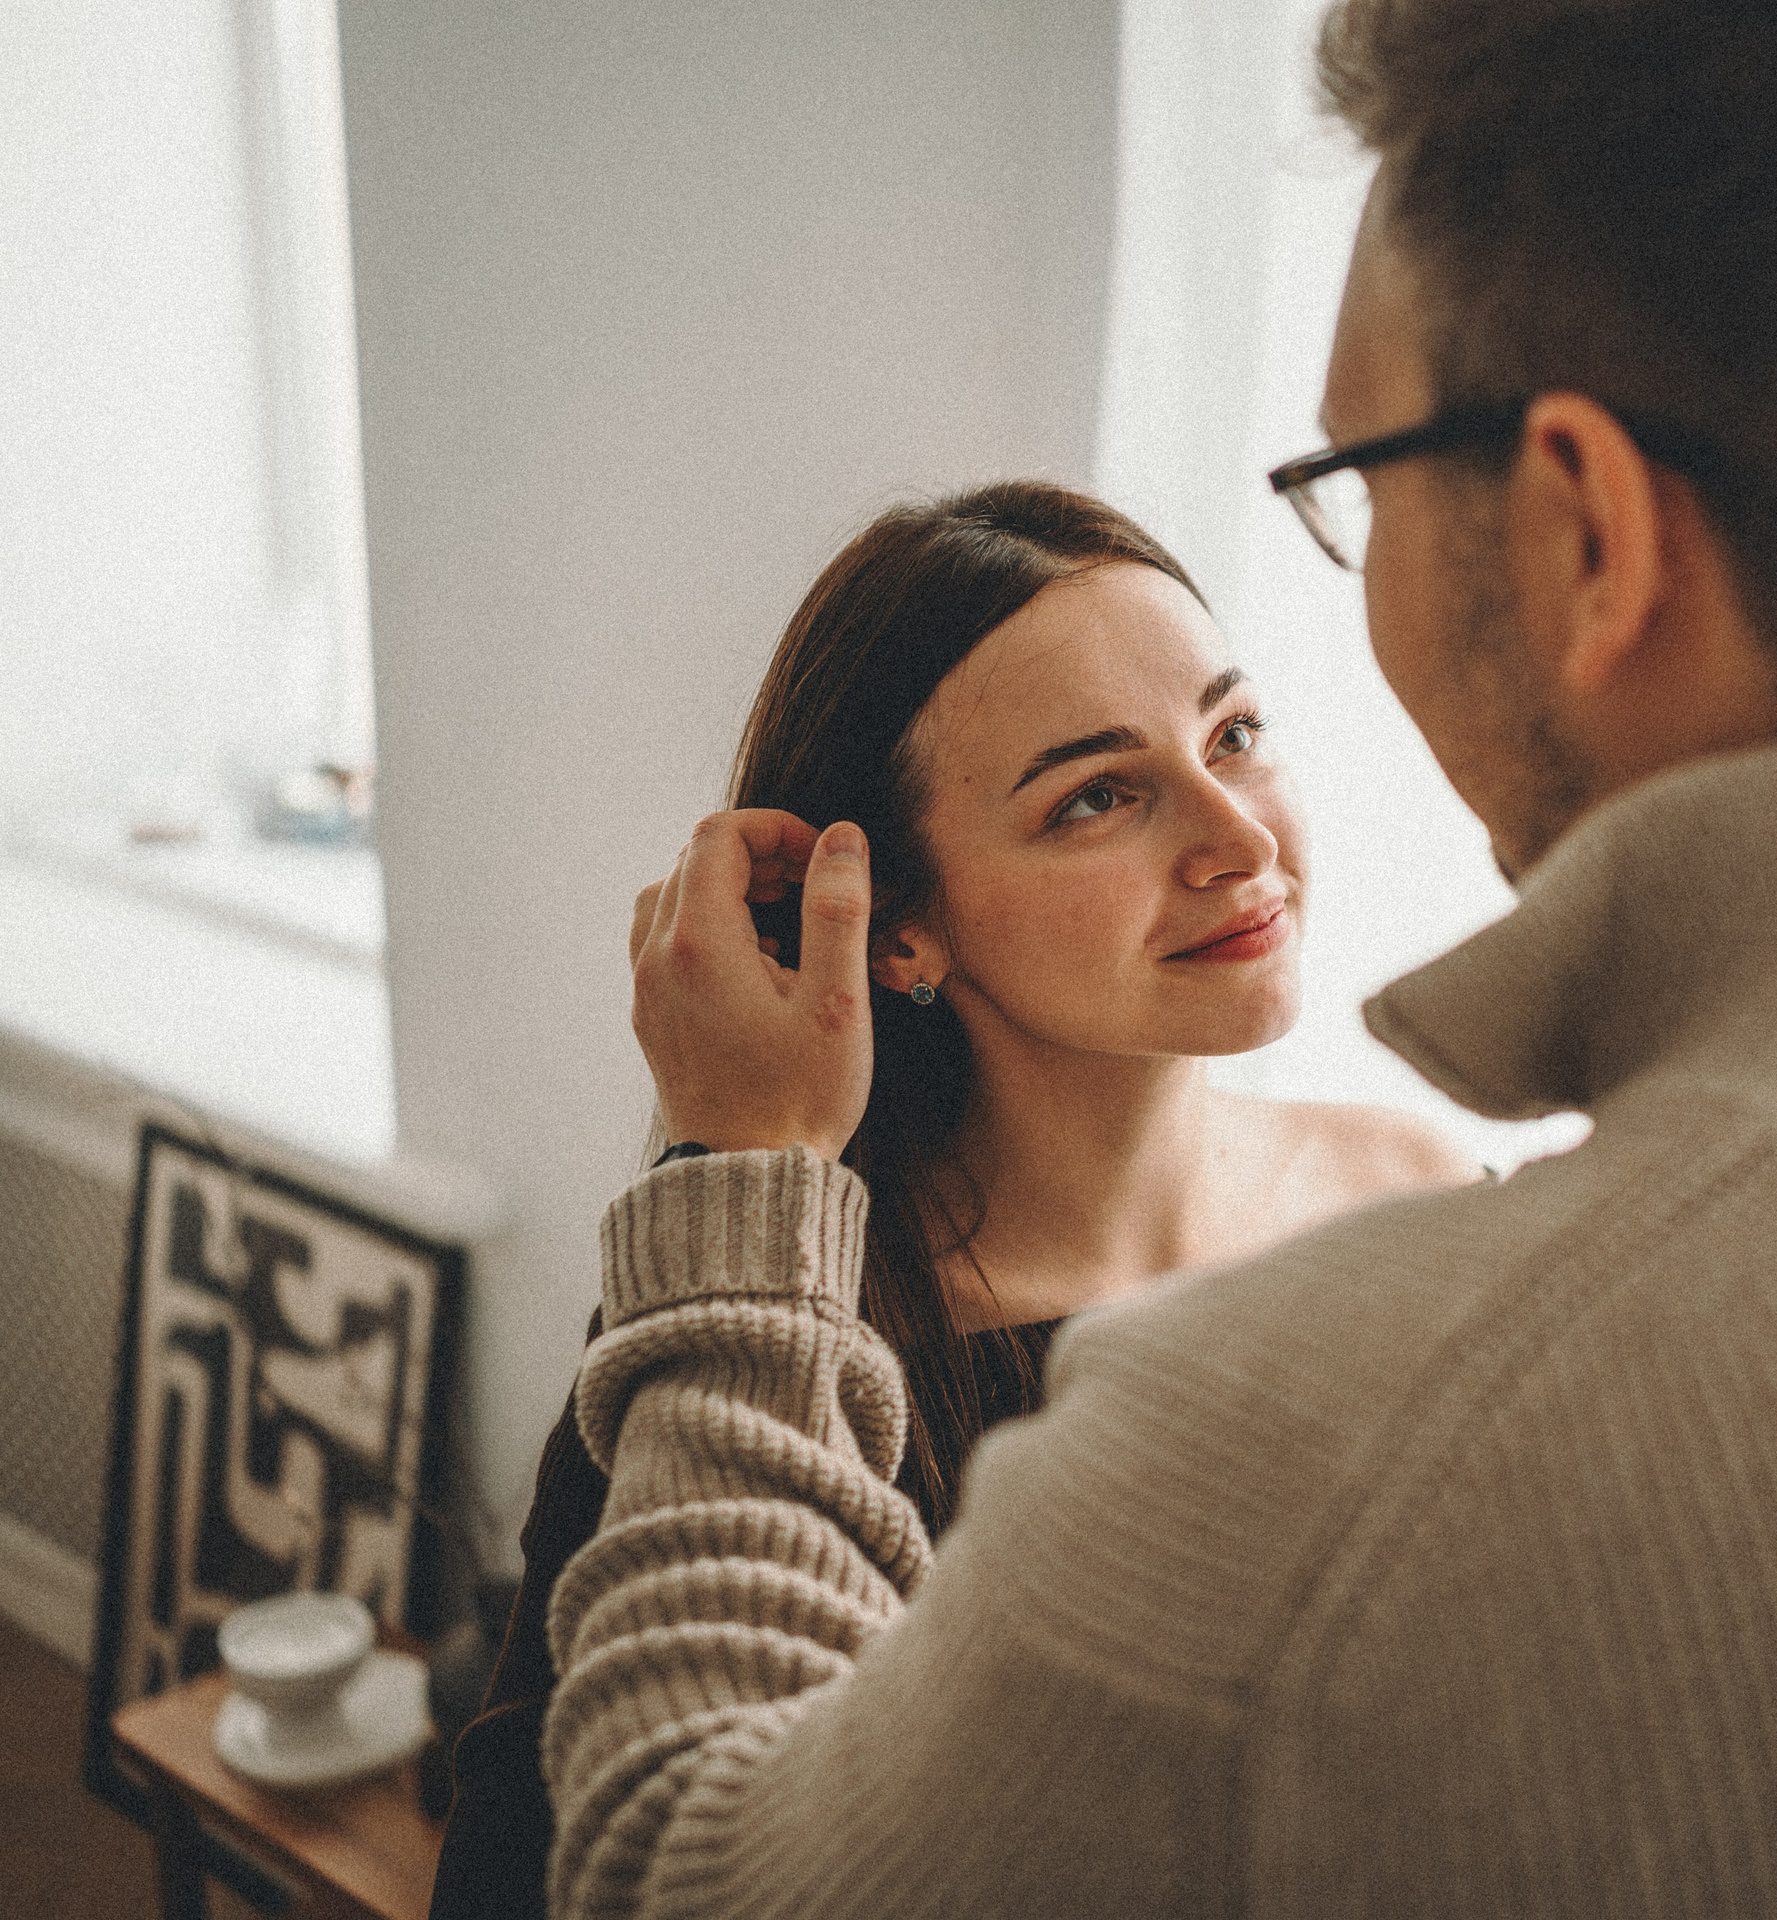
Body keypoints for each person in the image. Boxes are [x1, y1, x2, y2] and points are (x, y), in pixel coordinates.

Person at [542, 0, 1777, 1914]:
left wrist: (732, 1193)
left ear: (1587, 528)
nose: (1231, 823)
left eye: (1357, 480)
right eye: (1099, 791)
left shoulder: (1311, 1442)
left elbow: (658, 1874)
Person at [425, 481, 1474, 1918]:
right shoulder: (769, 1342)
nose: (1238, 836)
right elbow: (531, 1879)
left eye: (1234, 733)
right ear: (898, 928)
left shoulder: (1422, 1205)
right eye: (1096, 795)